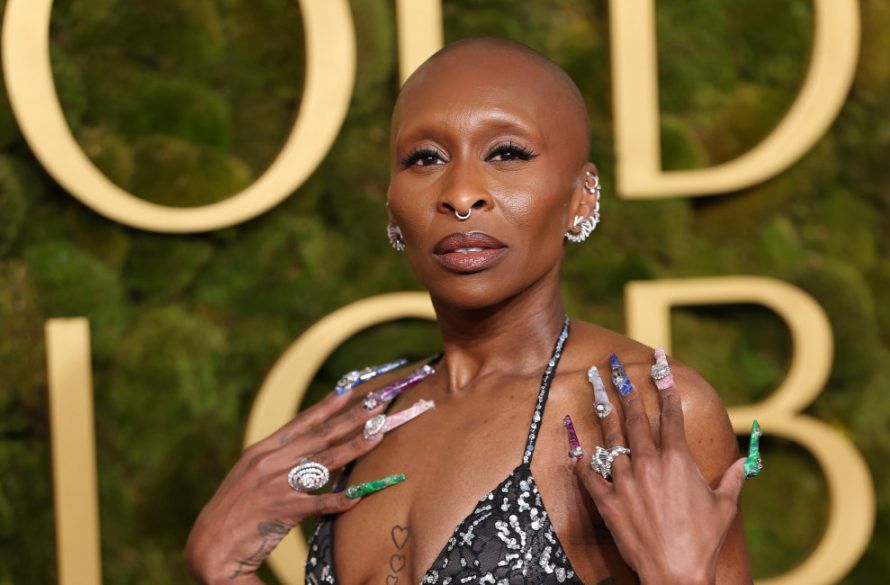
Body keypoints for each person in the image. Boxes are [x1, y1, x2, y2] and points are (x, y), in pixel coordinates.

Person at [185, 38, 753, 584]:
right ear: (392, 205)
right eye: (425, 158)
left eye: (506, 153)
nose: (461, 193)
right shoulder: (367, 413)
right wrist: (224, 573)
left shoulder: (650, 408)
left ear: (581, 195)